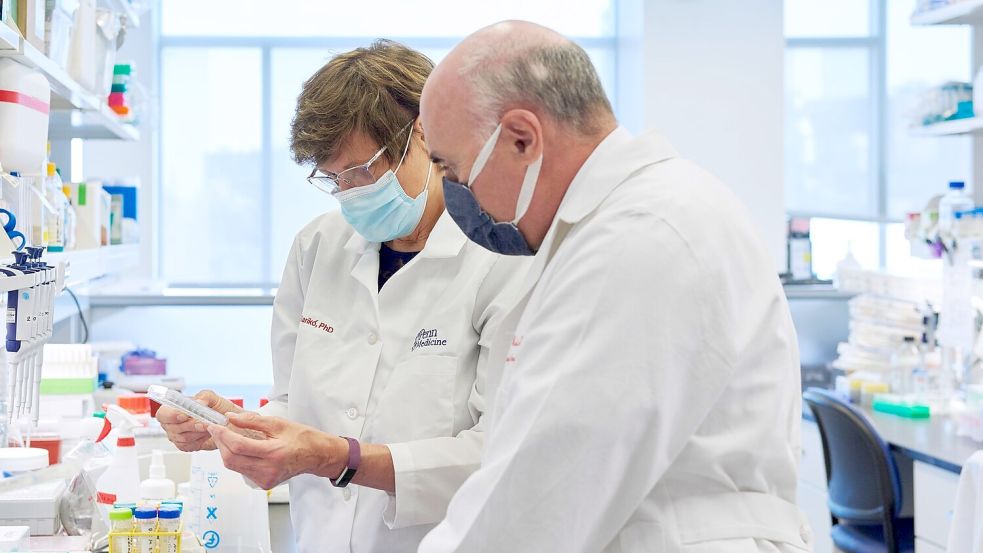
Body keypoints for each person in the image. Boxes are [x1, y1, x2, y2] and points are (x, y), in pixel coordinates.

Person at [414, 21, 811, 553]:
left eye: (452, 167)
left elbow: (536, 492)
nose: (454, 194)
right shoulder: (622, 223)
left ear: (521, 139)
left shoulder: (642, 233)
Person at [156, 40, 529, 553]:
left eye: (362, 170)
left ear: (423, 130)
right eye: (332, 178)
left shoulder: (502, 259)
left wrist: (336, 457)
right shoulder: (318, 247)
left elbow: (502, 450)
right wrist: (236, 426)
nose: (351, 192)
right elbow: (295, 401)